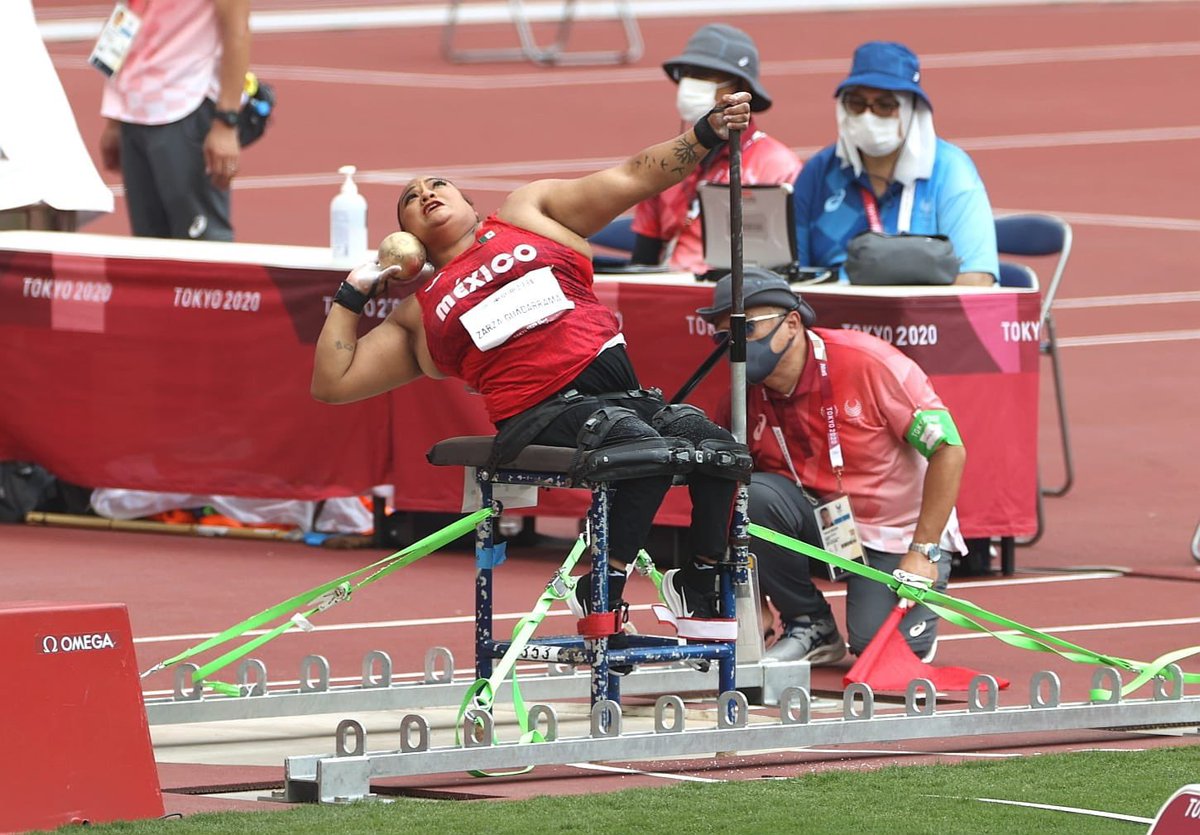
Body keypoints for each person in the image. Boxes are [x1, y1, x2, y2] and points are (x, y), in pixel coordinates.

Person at [311, 93, 757, 636]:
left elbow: (635, 175)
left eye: (437, 185)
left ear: (473, 206)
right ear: (408, 241)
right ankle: (600, 589)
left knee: (714, 445)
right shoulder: (418, 313)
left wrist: (706, 133)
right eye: (410, 198)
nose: (426, 193)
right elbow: (332, 384)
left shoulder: (530, 214)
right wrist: (354, 292)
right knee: (644, 451)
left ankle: (701, 579)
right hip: (541, 414)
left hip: (622, 397)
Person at [698, 268, 967, 663]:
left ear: (792, 323)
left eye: (747, 330)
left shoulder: (869, 363)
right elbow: (724, 494)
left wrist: (923, 550)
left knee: (880, 654)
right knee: (749, 495)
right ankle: (810, 623)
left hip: (897, 534)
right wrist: (745, 588)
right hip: (821, 529)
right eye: (725, 337)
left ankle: (914, 581)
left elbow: (949, 449)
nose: (735, 345)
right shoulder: (741, 400)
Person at [792, 41, 998, 286]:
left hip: (925, 321)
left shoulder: (951, 170)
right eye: (856, 104)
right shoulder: (818, 173)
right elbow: (792, 274)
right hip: (831, 319)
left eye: (885, 105)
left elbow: (976, 279)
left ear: (911, 109)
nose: (868, 116)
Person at [627, 23, 801, 276]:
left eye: (707, 74)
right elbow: (643, 256)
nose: (691, 83)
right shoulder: (664, 161)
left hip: (740, 298)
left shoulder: (779, 166)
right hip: (666, 294)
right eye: (688, 72)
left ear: (741, 88)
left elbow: (788, 266)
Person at [98, 0, 250, 241]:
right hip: (135, 111)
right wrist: (114, 115)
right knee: (149, 248)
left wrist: (226, 122)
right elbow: (124, 15)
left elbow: (237, 32)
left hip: (186, 106)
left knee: (201, 248)